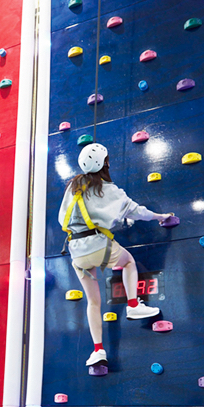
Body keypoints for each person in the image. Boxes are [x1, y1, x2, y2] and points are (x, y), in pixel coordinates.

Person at [59, 144, 174, 368]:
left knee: (93, 302)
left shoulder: (73, 186)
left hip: (76, 251)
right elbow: (137, 211)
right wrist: (161, 216)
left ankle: (98, 351)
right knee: (128, 261)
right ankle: (133, 304)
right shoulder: (109, 190)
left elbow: (62, 217)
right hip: (99, 245)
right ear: (104, 163)